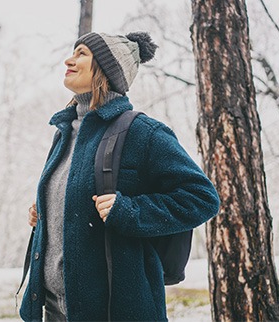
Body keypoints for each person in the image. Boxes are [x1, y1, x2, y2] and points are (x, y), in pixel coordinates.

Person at [19, 31, 220, 321]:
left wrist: (130, 210)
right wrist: (45, 210)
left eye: (81, 54)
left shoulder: (142, 132)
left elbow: (202, 197)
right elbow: (75, 199)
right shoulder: (65, 131)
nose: (69, 59)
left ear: (106, 68)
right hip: (53, 308)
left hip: (113, 310)